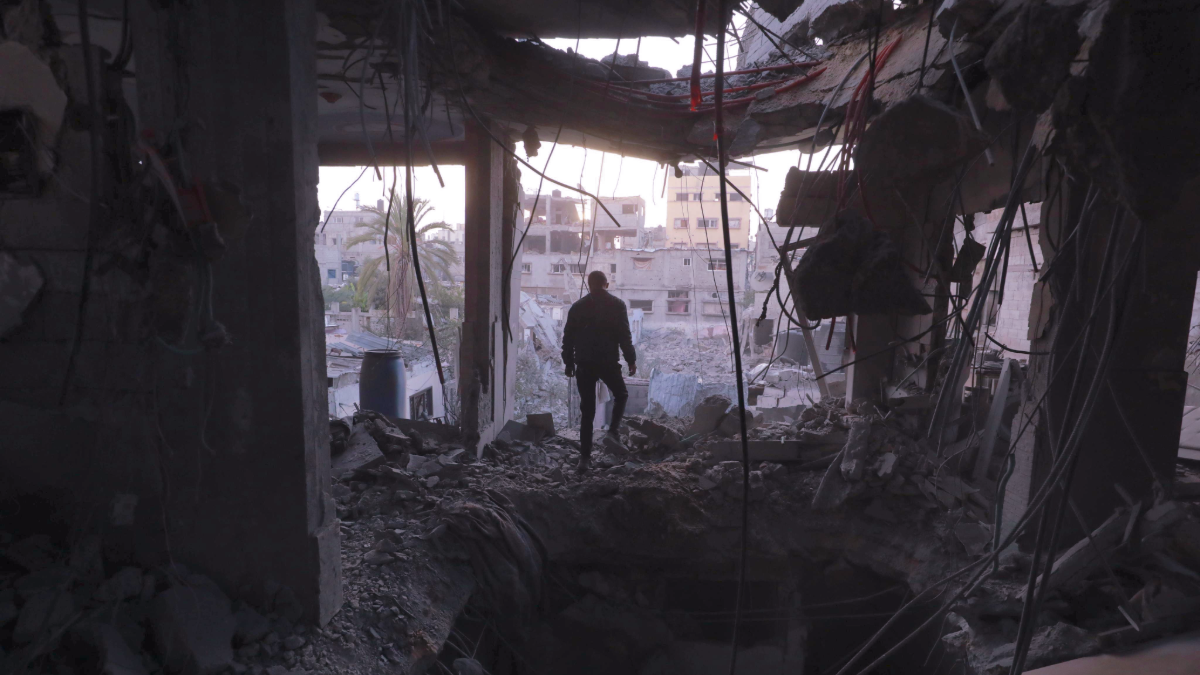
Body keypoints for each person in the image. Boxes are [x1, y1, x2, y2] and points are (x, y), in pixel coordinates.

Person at [561, 270, 636, 473]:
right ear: (606, 284)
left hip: (584, 363)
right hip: (607, 362)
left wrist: (568, 363)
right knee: (621, 394)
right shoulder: (617, 305)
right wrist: (631, 360)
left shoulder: (578, 307)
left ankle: (584, 459)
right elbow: (624, 335)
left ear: (589, 284)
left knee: (588, 412)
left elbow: (568, 338)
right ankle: (613, 431)